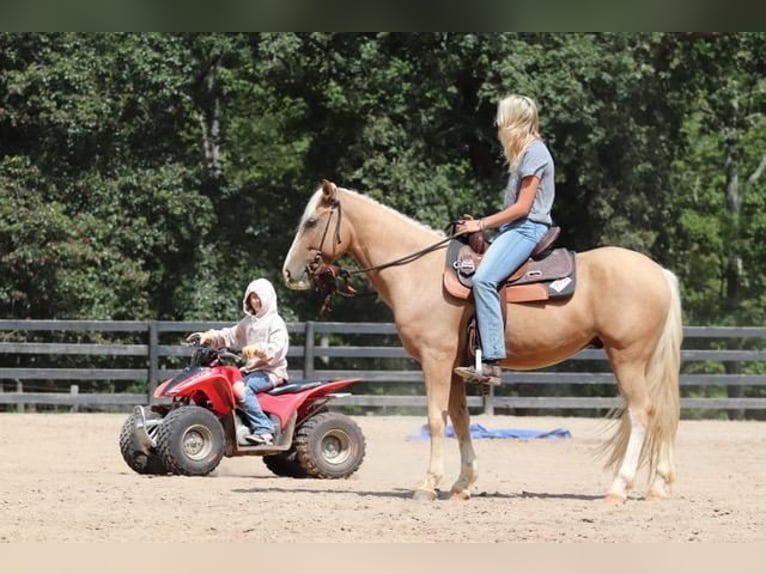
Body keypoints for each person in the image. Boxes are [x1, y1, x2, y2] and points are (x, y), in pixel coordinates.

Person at [453, 94, 556, 386]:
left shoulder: (536, 153)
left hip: (527, 228)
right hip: (513, 229)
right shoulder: (525, 154)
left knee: (484, 280)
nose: (498, 125)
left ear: (514, 122)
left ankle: (492, 361)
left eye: (502, 120)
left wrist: (480, 223)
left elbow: (523, 208)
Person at [187, 278, 289, 445]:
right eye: (251, 298)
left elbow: (278, 348)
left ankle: (264, 429)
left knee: (242, 390)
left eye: (258, 298)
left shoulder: (276, 322)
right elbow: (230, 335)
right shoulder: (249, 321)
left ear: (267, 299)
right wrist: (210, 337)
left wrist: (259, 349)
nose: (254, 302)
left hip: (272, 372)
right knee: (226, 386)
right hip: (251, 371)